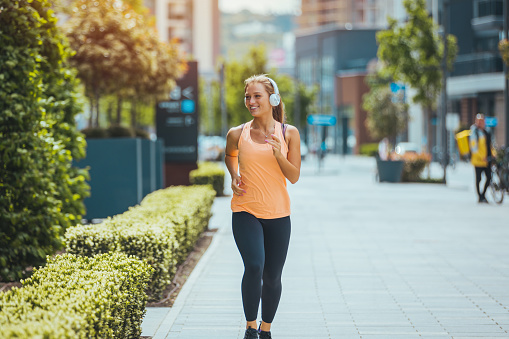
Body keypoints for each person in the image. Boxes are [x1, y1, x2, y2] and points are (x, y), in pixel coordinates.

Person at [224, 74, 301, 339]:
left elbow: (294, 176)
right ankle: (250, 327)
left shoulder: (288, 133)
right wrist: (233, 175)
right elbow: (229, 155)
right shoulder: (237, 133)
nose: (251, 101)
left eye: (257, 96)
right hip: (245, 210)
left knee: (272, 277)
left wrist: (279, 153)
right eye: (248, 96)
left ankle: (265, 330)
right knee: (254, 266)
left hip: (279, 214)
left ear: (273, 98)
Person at [469, 113, 493, 203]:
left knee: (489, 177)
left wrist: (492, 154)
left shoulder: (487, 132)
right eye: (479, 121)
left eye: (482, 121)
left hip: (487, 160)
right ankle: (480, 196)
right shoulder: (474, 132)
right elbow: (474, 147)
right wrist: (481, 157)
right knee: (478, 179)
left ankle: (483, 195)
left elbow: (489, 145)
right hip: (478, 160)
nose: (480, 123)